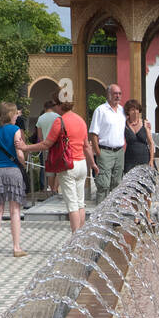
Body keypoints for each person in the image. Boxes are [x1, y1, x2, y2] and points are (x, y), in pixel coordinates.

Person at [0, 101, 48, 258]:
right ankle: (16, 247)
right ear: (9, 115)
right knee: (15, 211)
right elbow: (20, 155)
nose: (16, 116)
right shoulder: (15, 130)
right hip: (14, 172)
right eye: (15, 114)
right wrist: (22, 159)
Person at [40, 100, 97, 233]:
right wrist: (93, 164)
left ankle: (75, 238)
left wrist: (26, 147)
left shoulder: (60, 121)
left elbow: (46, 144)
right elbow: (86, 146)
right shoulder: (80, 120)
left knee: (72, 206)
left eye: (55, 106)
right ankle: (81, 236)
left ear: (59, 105)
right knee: (80, 203)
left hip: (68, 165)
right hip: (82, 164)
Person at [89, 83, 126, 200]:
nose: (118, 96)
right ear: (109, 94)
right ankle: (100, 214)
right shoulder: (100, 110)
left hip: (119, 152)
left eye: (120, 93)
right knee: (103, 185)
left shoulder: (122, 111)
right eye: (115, 93)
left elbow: (133, 122)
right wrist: (98, 153)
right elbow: (93, 133)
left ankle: (114, 213)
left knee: (117, 184)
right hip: (105, 151)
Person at [36, 95, 61, 195]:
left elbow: (40, 136)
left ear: (45, 108)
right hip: (58, 147)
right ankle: (55, 188)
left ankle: (51, 190)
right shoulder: (58, 117)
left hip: (46, 147)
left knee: (49, 170)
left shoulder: (40, 118)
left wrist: (44, 143)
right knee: (59, 170)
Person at [123, 98, 154, 174]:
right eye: (132, 109)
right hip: (130, 159)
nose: (135, 112)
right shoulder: (124, 124)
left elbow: (151, 143)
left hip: (144, 158)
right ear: (128, 111)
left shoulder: (145, 123)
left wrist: (151, 160)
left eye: (137, 109)